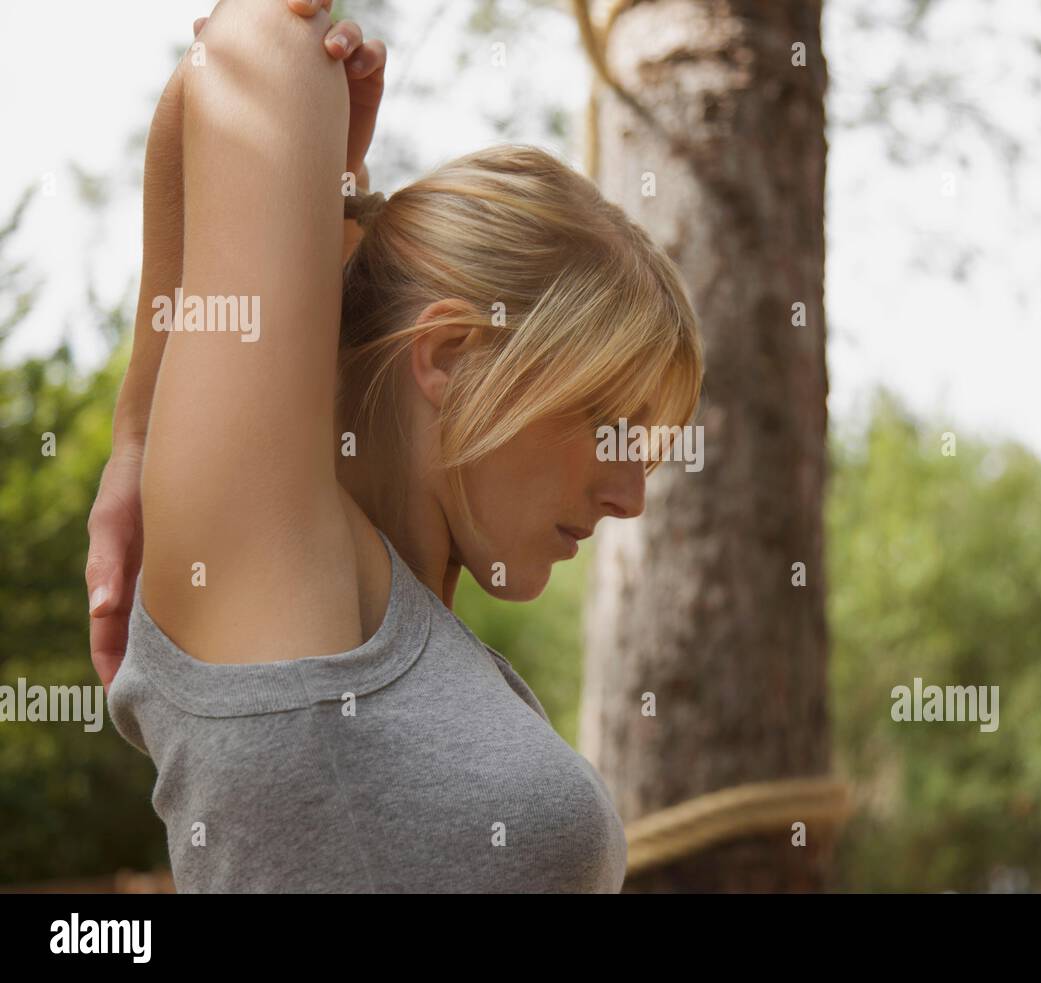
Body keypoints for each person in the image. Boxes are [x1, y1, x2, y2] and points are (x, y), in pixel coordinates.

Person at [87, 0, 703, 893]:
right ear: (451, 355)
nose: (629, 495)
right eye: (608, 422)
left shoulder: (410, 638)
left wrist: (141, 438)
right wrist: (136, 443)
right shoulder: (281, 578)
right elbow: (254, 42)